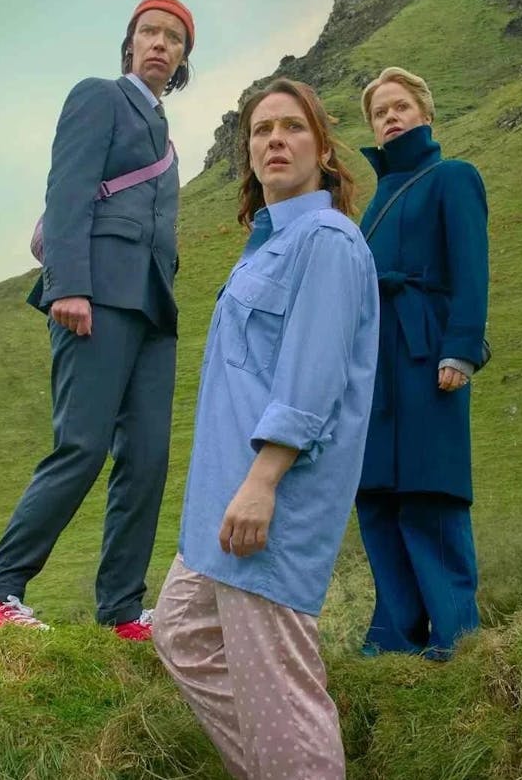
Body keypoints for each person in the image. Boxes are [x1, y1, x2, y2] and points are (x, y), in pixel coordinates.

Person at [153, 78, 378, 779]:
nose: (274, 140)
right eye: (260, 130)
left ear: (322, 149)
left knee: (283, 696)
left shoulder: (328, 242)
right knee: (182, 632)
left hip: (267, 500)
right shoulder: (267, 245)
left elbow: (311, 379)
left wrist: (262, 481)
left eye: (291, 128)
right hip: (220, 500)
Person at [0, 0, 195, 641]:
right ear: (130, 44)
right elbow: (67, 189)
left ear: (183, 59)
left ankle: (122, 610)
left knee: (148, 456)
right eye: (149, 32)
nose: (159, 43)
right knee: (83, 446)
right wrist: (69, 285)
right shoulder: (99, 96)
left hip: (153, 308)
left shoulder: (168, 140)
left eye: (173, 38)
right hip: (93, 296)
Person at [354, 67, 490, 662]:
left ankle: (456, 635)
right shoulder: (375, 202)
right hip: (373, 364)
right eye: (381, 111)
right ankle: (393, 637)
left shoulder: (453, 177)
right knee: (377, 493)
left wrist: (460, 348)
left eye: (401, 106)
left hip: (426, 348)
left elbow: (471, 267)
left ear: (425, 114)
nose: (391, 117)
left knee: (430, 491)